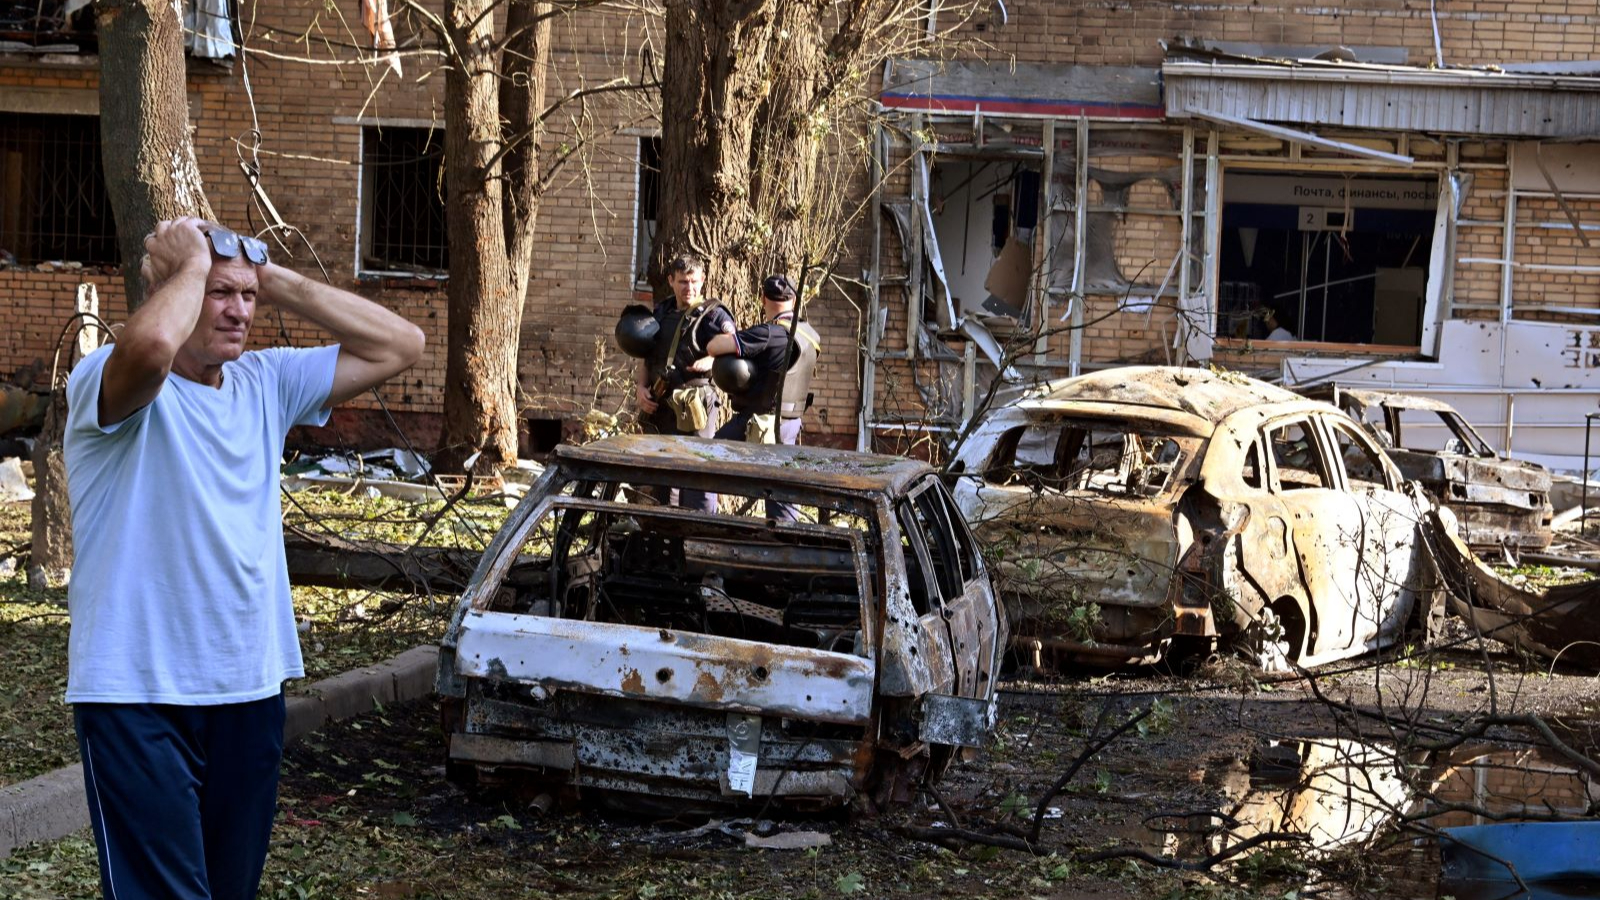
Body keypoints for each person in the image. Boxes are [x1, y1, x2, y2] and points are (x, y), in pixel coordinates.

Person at [62, 216, 425, 900]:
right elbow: (147, 350)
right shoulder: (107, 383)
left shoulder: (266, 382)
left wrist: (274, 280)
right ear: (175, 291)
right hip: (137, 694)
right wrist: (191, 265)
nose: (237, 311)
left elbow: (401, 343)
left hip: (248, 687)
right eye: (216, 293)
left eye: (245, 297)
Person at [704, 274, 821, 521]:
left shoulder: (769, 333)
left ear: (763, 299)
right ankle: (785, 540)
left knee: (707, 463)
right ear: (795, 299)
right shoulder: (810, 334)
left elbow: (714, 347)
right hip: (791, 423)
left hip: (759, 423)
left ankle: (701, 523)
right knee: (780, 483)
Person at [634, 253, 735, 512]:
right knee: (660, 473)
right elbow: (646, 356)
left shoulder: (713, 314)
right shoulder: (661, 312)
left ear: (703, 280)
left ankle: (701, 530)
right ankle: (664, 529)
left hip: (695, 404)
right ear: (671, 281)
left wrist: (713, 361)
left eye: (694, 281)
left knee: (698, 470)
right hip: (661, 403)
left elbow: (736, 345)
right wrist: (641, 389)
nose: (689, 288)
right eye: (682, 282)